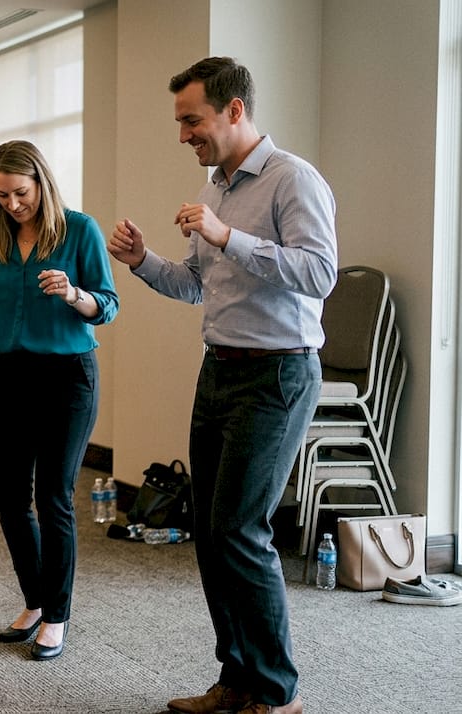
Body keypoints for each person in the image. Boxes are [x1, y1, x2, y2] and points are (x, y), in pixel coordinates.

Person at [108, 57, 337, 714]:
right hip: (220, 372)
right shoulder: (214, 192)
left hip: (278, 374)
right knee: (210, 531)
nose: (184, 134)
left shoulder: (294, 180)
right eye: (181, 122)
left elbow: (319, 273)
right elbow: (195, 284)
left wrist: (229, 237)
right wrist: (142, 261)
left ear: (234, 110)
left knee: (240, 527)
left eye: (192, 120)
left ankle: (276, 693)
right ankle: (236, 680)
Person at [0, 140, 118, 662]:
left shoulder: (80, 229)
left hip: (68, 376)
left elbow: (107, 305)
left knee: (54, 497)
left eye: (21, 193)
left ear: (42, 182)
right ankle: (34, 601)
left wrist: (73, 294)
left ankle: (57, 615)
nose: (13, 204)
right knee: (10, 499)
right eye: (2, 195)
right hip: (11, 375)